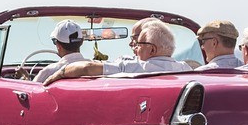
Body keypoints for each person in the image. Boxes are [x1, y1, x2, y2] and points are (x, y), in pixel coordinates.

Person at [43, 20, 191, 85]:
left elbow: (86, 68)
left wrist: (59, 74)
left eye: (139, 44)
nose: (135, 48)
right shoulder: (185, 69)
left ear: (152, 49)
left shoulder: (132, 67)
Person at [16, 19, 87, 82]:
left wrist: (24, 78)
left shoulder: (49, 72)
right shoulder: (95, 68)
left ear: (58, 45)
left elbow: (32, 93)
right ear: (82, 42)